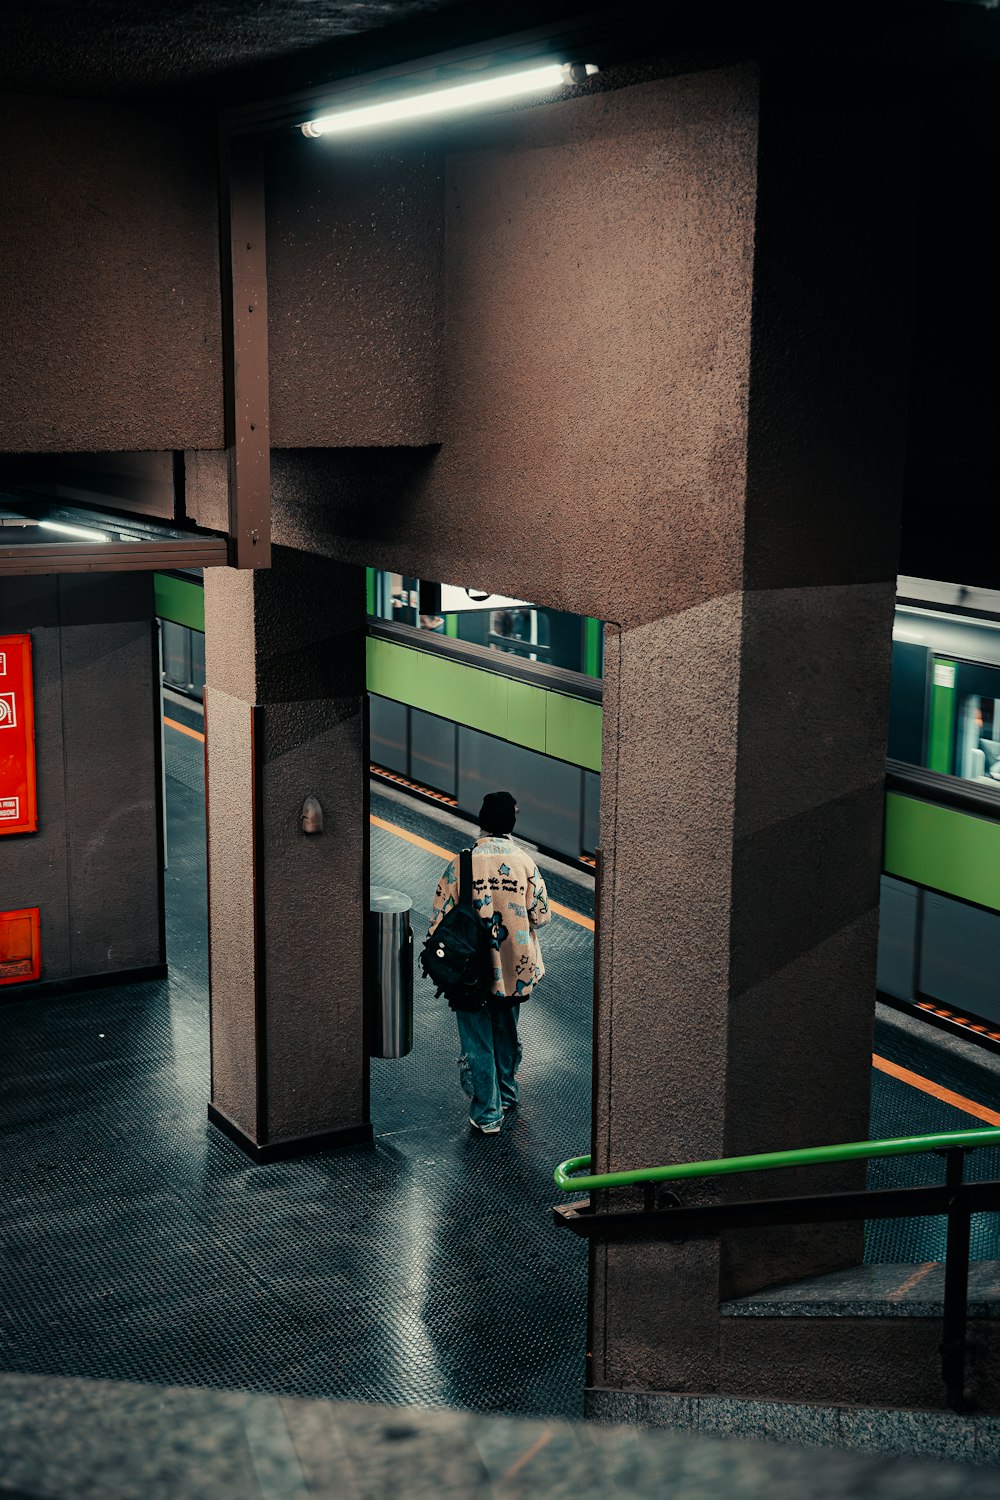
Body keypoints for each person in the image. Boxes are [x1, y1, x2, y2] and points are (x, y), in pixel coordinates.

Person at [427, 791, 551, 1134]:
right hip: (515, 968)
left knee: (477, 1037)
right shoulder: (526, 863)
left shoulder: (462, 863)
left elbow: (438, 921)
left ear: (482, 822)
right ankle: (508, 1095)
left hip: (470, 971)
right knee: (506, 1031)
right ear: (511, 822)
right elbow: (541, 916)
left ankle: (487, 1113)